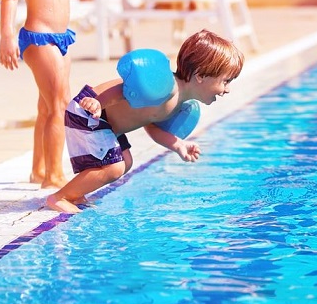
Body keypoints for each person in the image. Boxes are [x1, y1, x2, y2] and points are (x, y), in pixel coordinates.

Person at [46, 29, 245, 213]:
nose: (227, 89)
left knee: (126, 162)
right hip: (90, 110)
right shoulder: (166, 87)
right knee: (114, 168)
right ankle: (59, 197)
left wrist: (178, 145)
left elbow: (151, 124)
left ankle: (76, 193)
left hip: (107, 122)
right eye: (225, 81)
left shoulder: (179, 103)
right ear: (201, 76)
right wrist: (98, 103)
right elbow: (123, 90)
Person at [0, 0, 77, 188]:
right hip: (40, 38)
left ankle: (39, 169)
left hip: (60, 38)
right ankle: (54, 177)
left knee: (48, 106)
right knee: (60, 104)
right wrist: (6, 35)